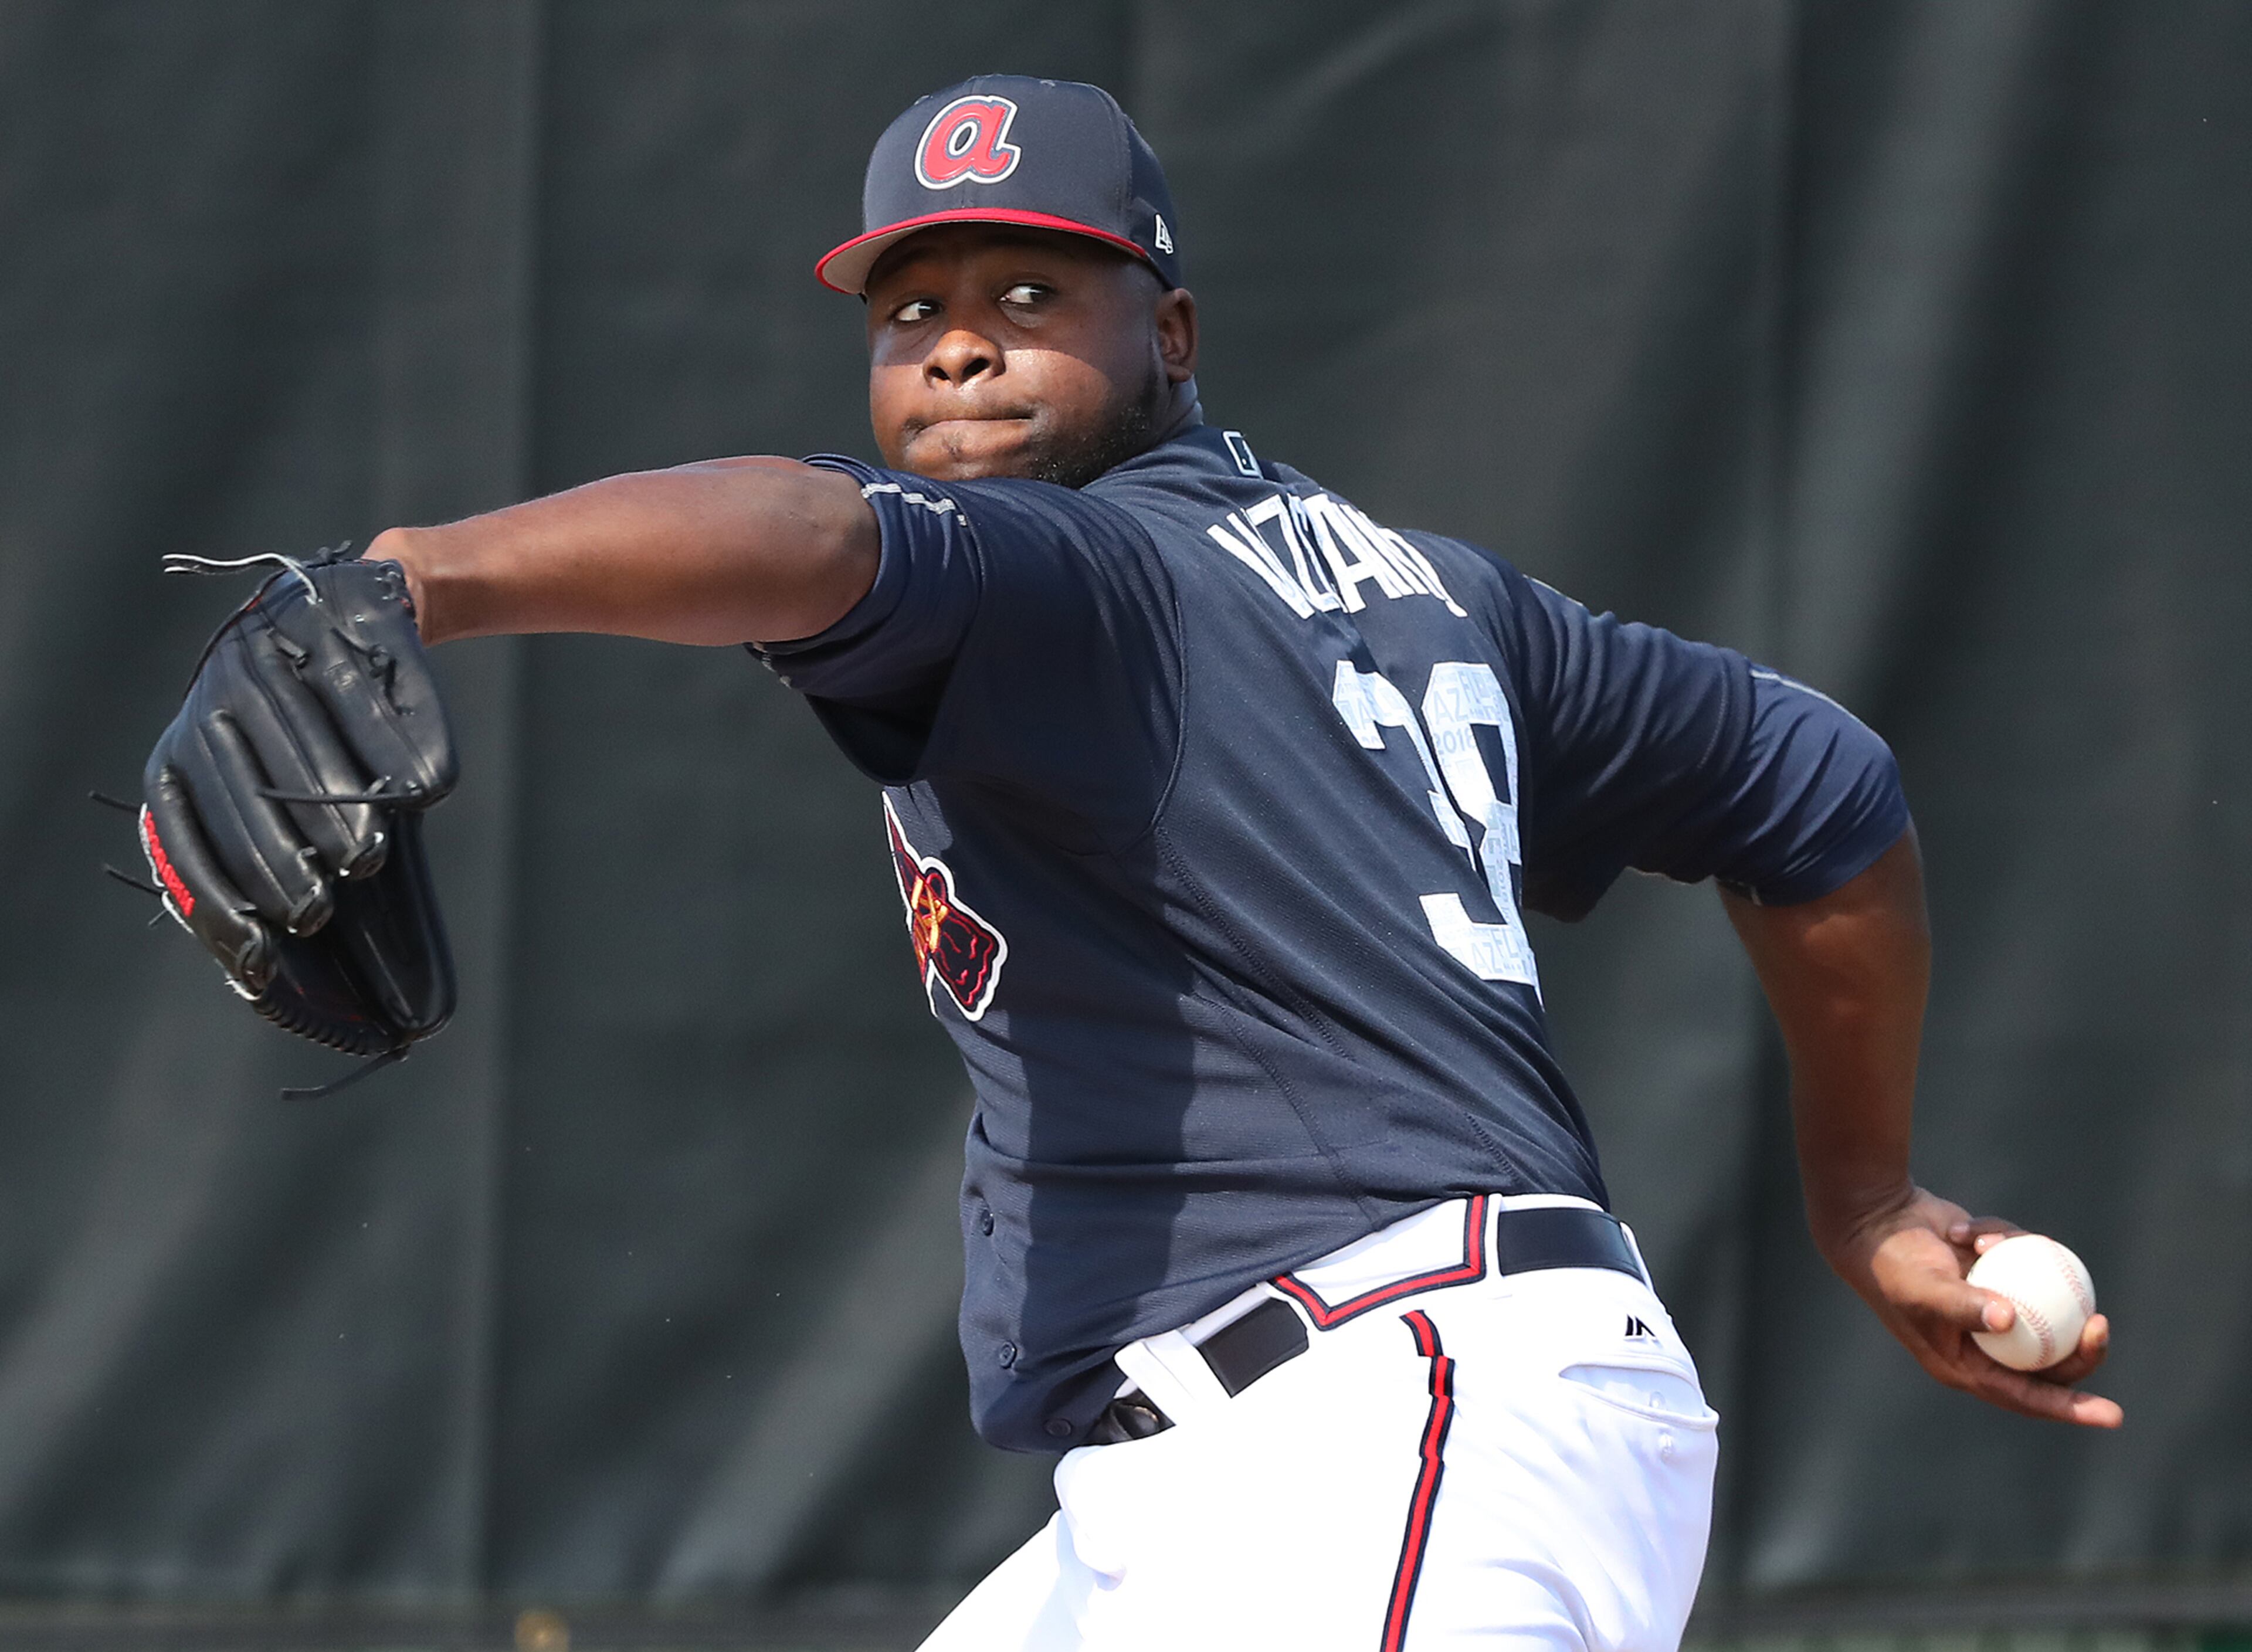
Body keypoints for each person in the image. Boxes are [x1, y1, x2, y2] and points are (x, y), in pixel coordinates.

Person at [160, 76, 2119, 1651]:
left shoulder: (1081, 569)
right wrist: (1863, 1186)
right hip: (1215, 1475)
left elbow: (818, 534)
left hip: (1392, 1411)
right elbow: (1817, 782)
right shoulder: (1436, 593)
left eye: (1034, 298)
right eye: (914, 311)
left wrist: (415, 575)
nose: (960, 355)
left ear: (1169, 332)